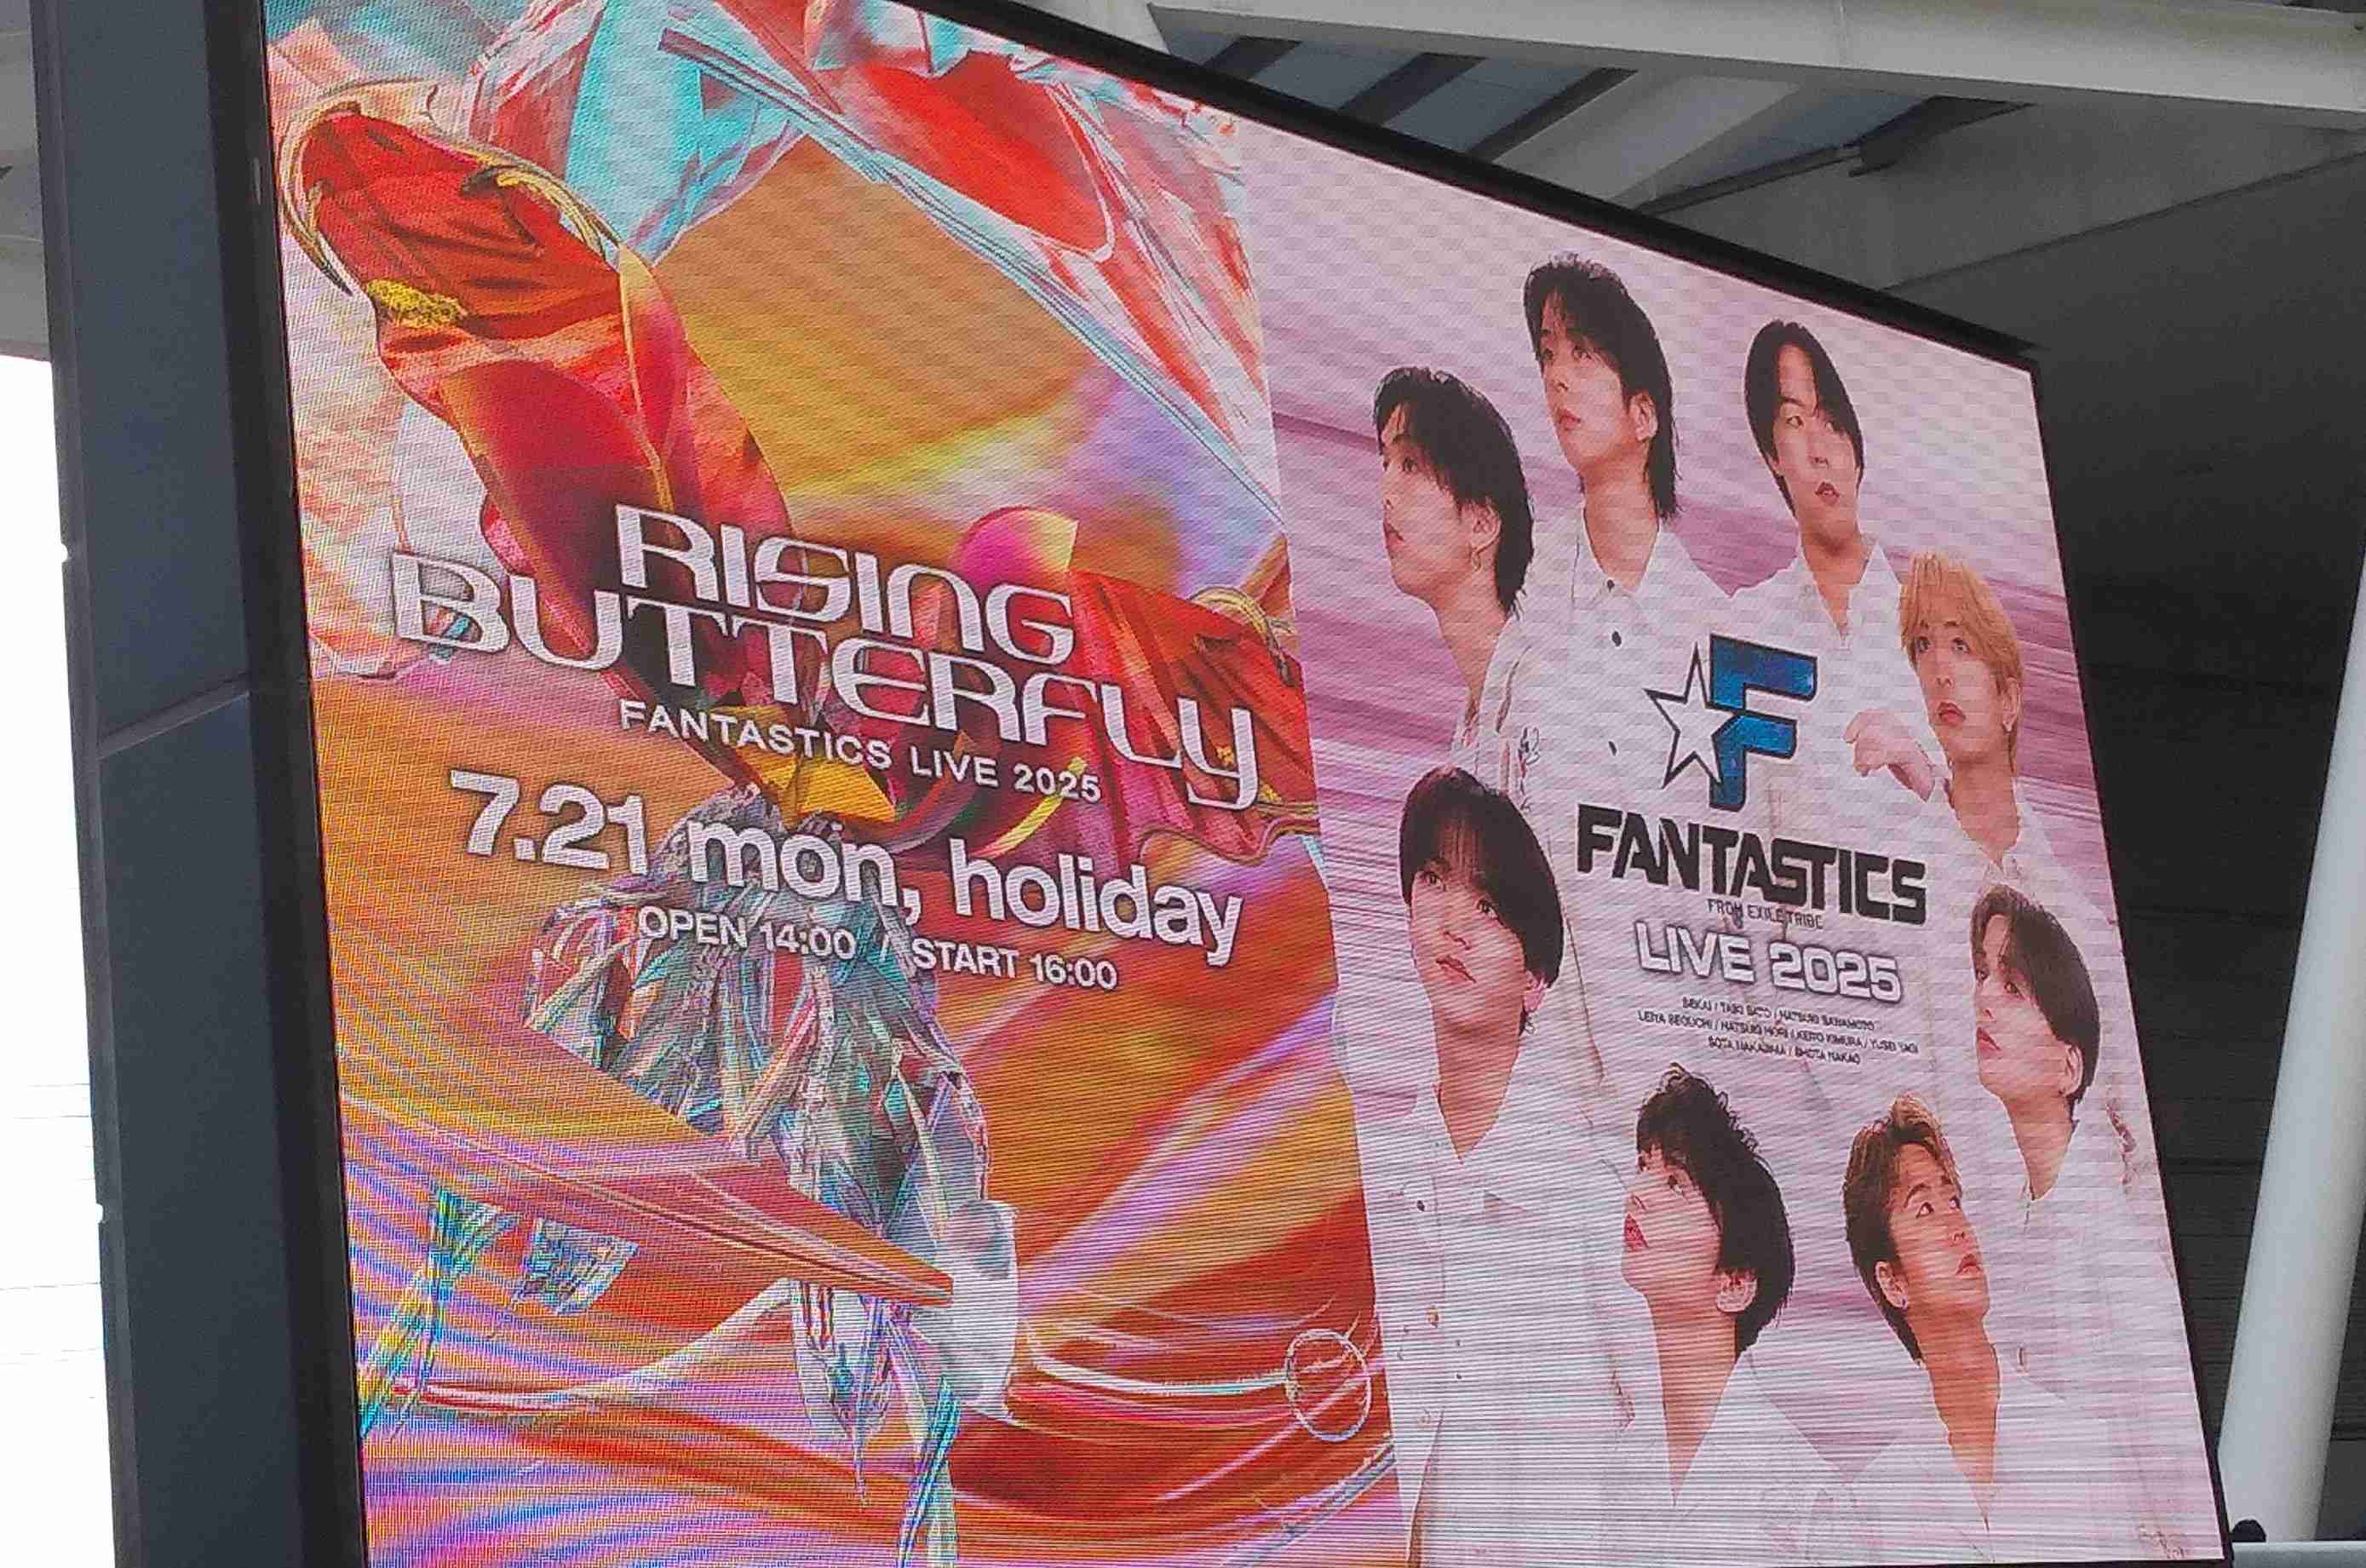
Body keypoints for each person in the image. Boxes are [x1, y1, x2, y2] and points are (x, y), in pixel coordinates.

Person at [1357, 767, 1618, 1567]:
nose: (1453, 924)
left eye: (1490, 908)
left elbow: (1679, 1439)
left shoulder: (1598, 1195)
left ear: (1535, 979)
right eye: (1434, 881)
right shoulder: (1371, 1179)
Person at [1510, 257, 1737, 1115]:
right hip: (1546, 1064)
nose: (1557, 376)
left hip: (1686, 1063)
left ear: (1645, 413)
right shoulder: (1518, 586)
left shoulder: (1718, 635)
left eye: (1583, 353)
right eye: (1547, 353)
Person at [1966, 885, 2220, 1557]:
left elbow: (2188, 1512)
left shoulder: (2118, 1261)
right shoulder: (2013, 1234)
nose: (1983, 997)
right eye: (1982, 974)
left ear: (2069, 1065)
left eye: (2012, 986)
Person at [1843, 1095, 2128, 1563]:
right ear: (1892, 1282)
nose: (1958, 1226)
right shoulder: (1876, 1501)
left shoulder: (2082, 1444)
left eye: (1954, 1201)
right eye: (1925, 1209)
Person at [1605, 1066, 1862, 1563]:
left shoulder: (1804, 1492)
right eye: (1642, 1166)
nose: (1635, 1193)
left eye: (1675, 1183)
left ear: (1735, 1283)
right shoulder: (1625, 1462)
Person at [1731, 321, 1940, 811]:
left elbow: (1989, 818)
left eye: (1832, 424)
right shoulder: (1746, 624)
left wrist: (1921, 772)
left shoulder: (1935, 624)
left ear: (1857, 457)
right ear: (1772, 454)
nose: (1820, 451)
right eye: (1795, 421)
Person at [1372, 367, 1539, 790]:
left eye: (1410, 465)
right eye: (1386, 463)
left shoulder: (1544, 698)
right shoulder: (1473, 723)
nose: (1386, 491)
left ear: (1481, 524)